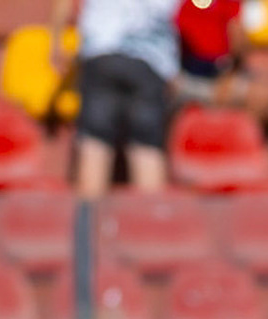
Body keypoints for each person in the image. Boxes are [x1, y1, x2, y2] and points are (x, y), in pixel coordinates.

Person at [54, 0, 181, 198]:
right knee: (146, 148)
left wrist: (56, 43)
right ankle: (150, 223)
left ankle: (87, 224)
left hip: (102, 51)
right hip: (151, 59)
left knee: (95, 144)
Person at [173, 0, 268, 131]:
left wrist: (231, 73)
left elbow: (238, 37)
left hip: (221, 73)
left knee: (262, 93)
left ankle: (243, 142)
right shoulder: (170, 6)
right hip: (182, 77)